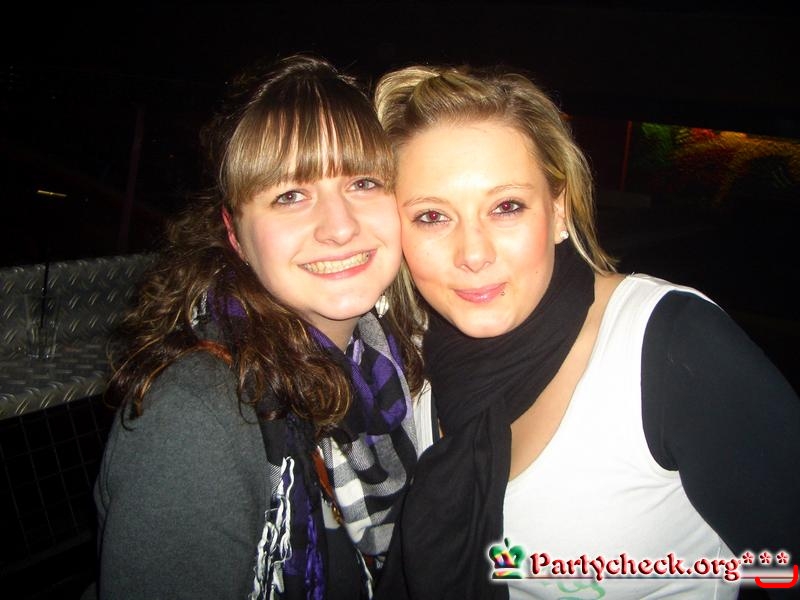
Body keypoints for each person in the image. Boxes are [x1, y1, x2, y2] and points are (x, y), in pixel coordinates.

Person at [372, 63, 800, 599]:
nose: (473, 254)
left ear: (558, 211)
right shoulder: (407, 357)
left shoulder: (671, 346)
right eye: (432, 216)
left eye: (506, 207)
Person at [88, 54, 432, 600]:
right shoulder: (197, 417)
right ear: (234, 234)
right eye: (289, 195)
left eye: (364, 182)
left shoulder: (405, 358)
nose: (339, 227)